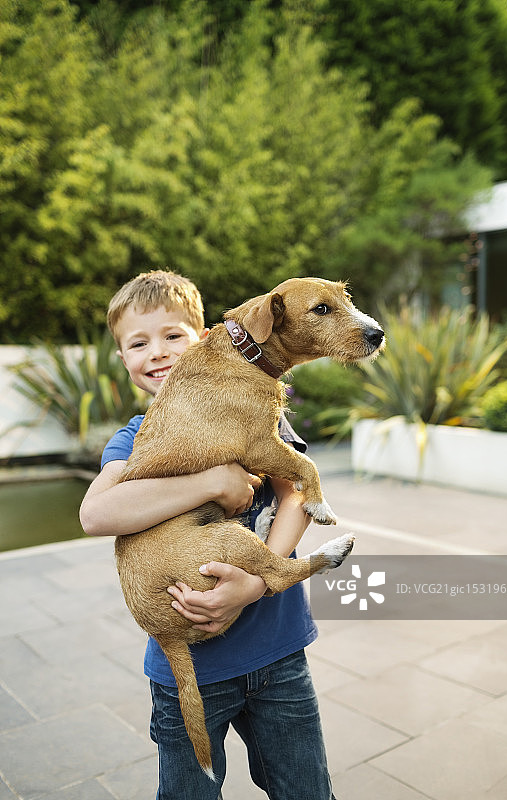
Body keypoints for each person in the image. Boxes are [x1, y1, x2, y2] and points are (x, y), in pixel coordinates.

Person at [79, 270, 336, 800]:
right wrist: (210, 480)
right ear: (123, 359)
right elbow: (96, 514)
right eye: (138, 343)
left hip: (278, 652)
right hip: (189, 669)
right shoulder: (134, 436)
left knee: (307, 791)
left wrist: (259, 582)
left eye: (173, 335)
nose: (158, 352)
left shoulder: (254, 399)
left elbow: (296, 496)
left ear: (205, 336)